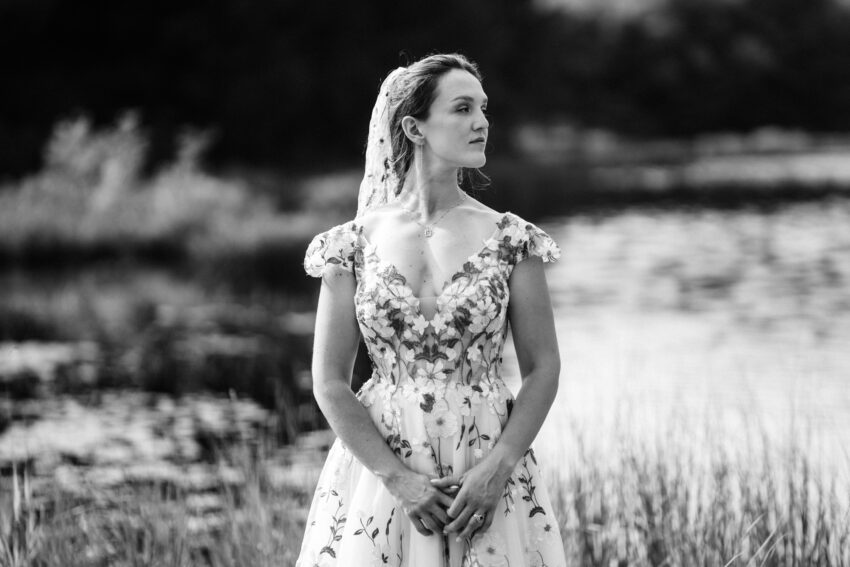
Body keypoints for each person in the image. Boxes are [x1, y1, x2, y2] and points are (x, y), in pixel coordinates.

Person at [297, 53, 567, 567]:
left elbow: (543, 368)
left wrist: (497, 468)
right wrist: (396, 478)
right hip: (383, 468)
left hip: (485, 461)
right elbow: (329, 380)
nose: (482, 122)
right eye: (463, 109)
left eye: (484, 109)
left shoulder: (513, 239)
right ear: (414, 127)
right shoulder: (349, 244)